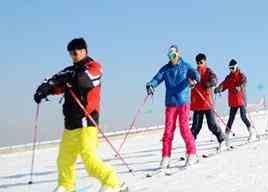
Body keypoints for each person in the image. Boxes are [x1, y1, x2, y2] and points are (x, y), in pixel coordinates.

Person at [33, 38, 127, 192]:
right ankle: (66, 185)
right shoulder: (70, 70)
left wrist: (68, 76)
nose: (73, 56)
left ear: (84, 51)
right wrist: (45, 89)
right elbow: (56, 84)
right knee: (64, 159)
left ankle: (112, 182)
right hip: (70, 122)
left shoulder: (94, 67)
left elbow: (86, 80)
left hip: (87, 120)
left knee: (89, 158)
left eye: (75, 52)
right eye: (70, 53)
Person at [146, 45, 199, 170]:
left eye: (174, 56)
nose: (172, 58)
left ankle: (192, 153)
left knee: (184, 129)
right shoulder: (166, 69)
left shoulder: (185, 66)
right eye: (170, 56)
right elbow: (157, 78)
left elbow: (195, 73)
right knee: (168, 131)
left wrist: (195, 80)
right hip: (170, 103)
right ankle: (165, 157)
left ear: (178, 54)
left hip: (183, 102)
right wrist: (151, 85)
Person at [189, 53, 226, 151]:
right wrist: (190, 83)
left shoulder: (208, 71)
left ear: (205, 62)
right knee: (195, 127)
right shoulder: (194, 72)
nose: (199, 64)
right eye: (197, 62)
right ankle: (191, 148)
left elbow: (215, 79)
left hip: (207, 103)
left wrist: (209, 83)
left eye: (201, 62)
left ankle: (222, 140)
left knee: (212, 125)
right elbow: (188, 80)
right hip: (197, 104)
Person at [215, 59, 256, 143]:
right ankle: (226, 136)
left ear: (236, 66)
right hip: (233, 101)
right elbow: (224, 84)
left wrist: (240, 86)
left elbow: (244, 82)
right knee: (230, 119)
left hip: (241, 100)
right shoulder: (228, 77)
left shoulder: (241, 75)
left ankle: (252, 132)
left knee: (243, 117)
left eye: (233, 68)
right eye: (230, 68)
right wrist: (219, 89)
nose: (231, 70)